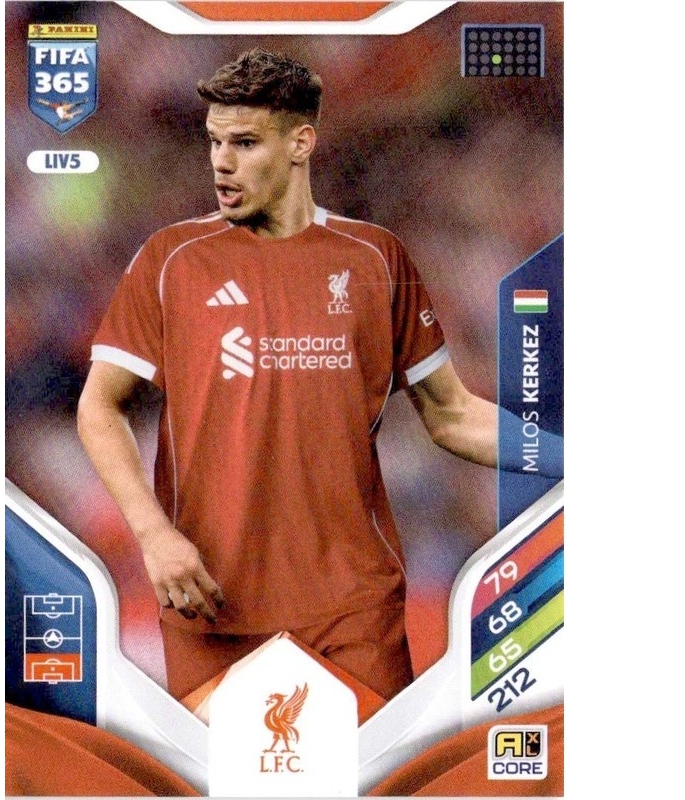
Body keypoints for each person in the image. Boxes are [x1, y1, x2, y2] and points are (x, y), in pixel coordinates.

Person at [77, 48, 499, 702]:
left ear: (302, 143)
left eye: (244, 143)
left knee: (375, 755)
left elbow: (454, 414)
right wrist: (154, 534)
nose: (222, 161)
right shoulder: (172, 261)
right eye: (215, 141)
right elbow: (98, 406)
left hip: (353, 608)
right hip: (216, 605)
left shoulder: (375, 259)